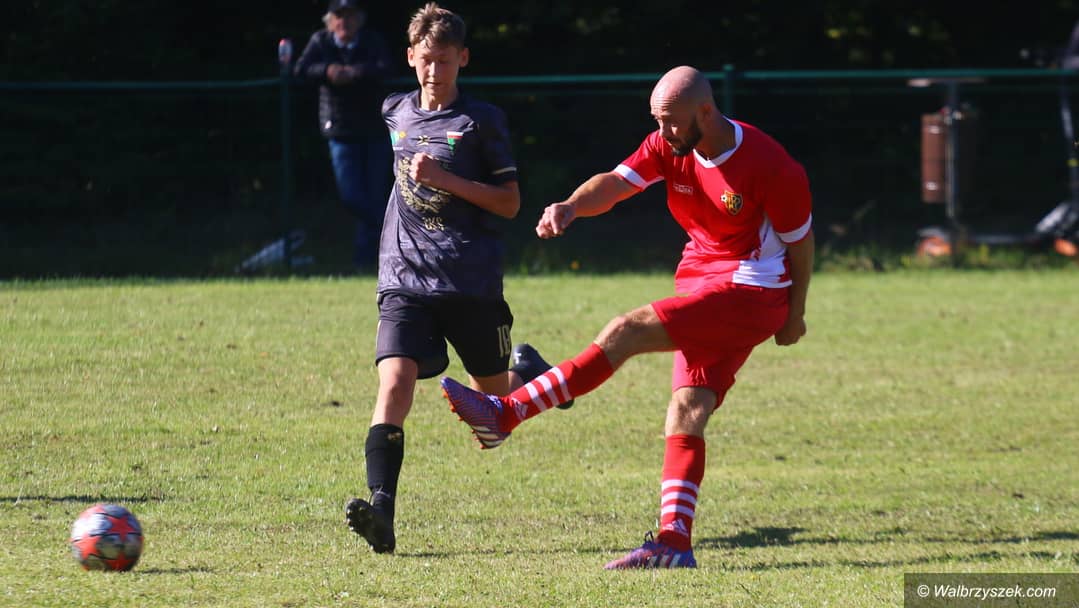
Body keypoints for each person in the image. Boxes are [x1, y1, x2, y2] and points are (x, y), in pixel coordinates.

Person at [441, 65, 814, 569]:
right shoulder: (669, 143)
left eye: (672, 121)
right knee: (688, 407)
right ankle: (674, 544)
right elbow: (618, 182)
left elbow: (800, 244)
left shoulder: (771, 165)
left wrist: (795, 314)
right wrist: (572, 206)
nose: (663, 132)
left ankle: (507, 413)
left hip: (752, 290)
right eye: (657, 121)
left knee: (626, 330)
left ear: (706, 112)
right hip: (703, 282)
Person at [343, 2, 568, 554]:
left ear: (463, 59)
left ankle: (531, 376)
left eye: (444, 60)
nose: (434, 70)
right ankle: (382, 509)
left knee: (494, 413)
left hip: (469, 281)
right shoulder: (395, 111)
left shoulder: (480, 121)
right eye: (425, 60)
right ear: (410, 58)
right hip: (403, 278)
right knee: (394, 383)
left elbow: (510, 203)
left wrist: (445, 178)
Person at [294, 0, 394, 270]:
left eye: (349, 16)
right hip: (339, 130)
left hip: (374, 129)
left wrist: (355, 72)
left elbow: (386, 68)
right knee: (352, 195)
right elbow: (301, 70)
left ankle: (367, 261)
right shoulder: (320, 41)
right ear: (330, 20)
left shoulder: (372, 41)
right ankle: (390, 233)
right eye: (339, 16)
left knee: (375, 194)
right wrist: (327, 71)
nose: (344, 22)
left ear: (359, 19)